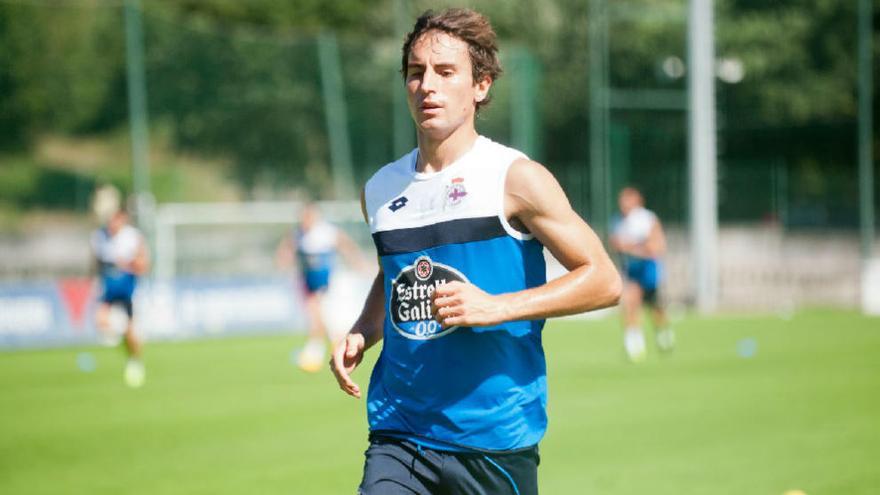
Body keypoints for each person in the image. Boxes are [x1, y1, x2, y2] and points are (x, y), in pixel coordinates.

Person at [329, 9, 622, 495]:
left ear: (480, 86)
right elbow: (395, 271)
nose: (428, 86)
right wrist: (364, 329)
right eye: (416, 72)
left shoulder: (515, 178)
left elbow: (604, 280)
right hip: (400, 434)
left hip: (493, 441)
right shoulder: (380, 190)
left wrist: (496, 307)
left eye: (446, 73)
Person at [277, 202, 365, 372]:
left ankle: (322, 355)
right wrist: (283, 260)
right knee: (316, 318)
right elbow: (287, 248)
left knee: (327, 320)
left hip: (327, 281)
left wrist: (356, 261)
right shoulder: (298, 234)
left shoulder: (325, 232)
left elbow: (345, 244)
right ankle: (316, 355)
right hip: (309, 281)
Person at [610, 186, 675, 362]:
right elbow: (615, 245)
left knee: (655, 307)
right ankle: (634, 345)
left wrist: (630, 247)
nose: (623, 204)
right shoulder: (616, 221)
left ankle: (664, 334)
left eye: (627, 200)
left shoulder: (647, 220)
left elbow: (657, 248)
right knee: (630, 303)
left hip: (648, 267)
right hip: (631, 269)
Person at [91, 206, 150, 388]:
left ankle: (135, 360)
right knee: (101, 322)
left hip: (128, 289)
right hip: (109, 289)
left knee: (130, 332)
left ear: (122, 219)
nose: (112, 224)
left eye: (116, 220)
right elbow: (96, 262)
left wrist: (127, 263)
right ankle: (120, 333)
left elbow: (144, 265)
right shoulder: (99, 237)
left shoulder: (132, 237)